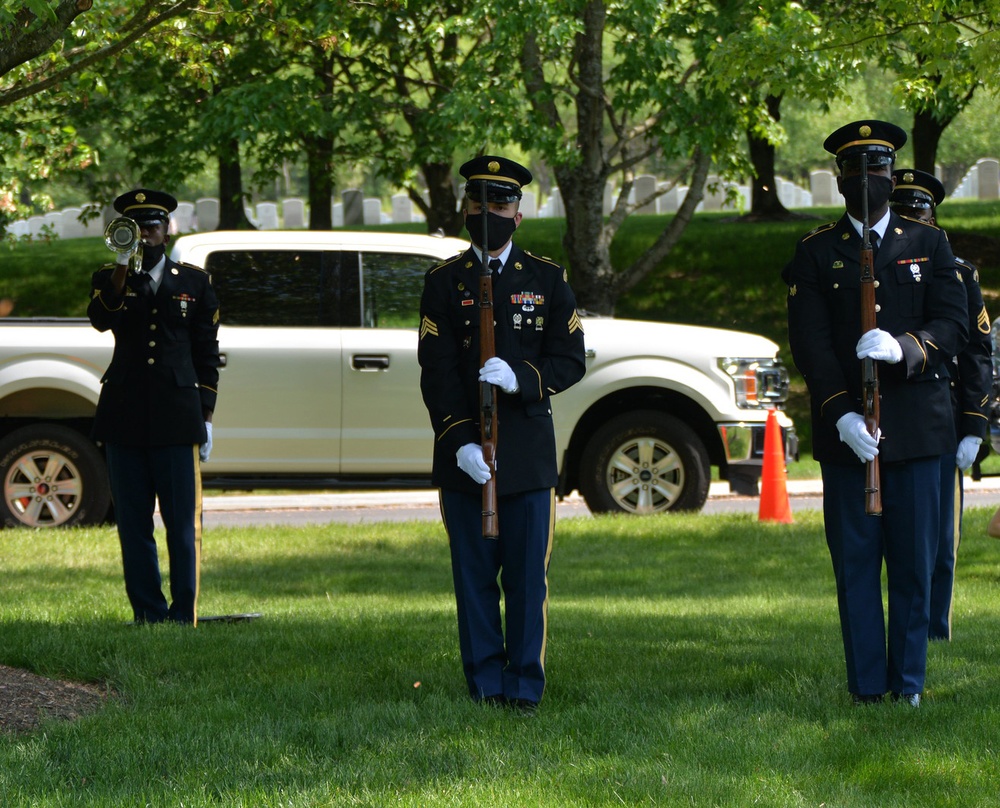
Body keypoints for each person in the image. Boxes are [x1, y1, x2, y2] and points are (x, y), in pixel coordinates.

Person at [782, 121, 968, 707]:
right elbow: (810, 343)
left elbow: (954, 325)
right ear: (840, 180)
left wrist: (905, 347)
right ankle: (866, 686)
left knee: (914, 566)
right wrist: (839, 414)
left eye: (879, 169)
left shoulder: (928, 243)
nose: (869, 181)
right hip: (849, 437)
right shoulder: (815, 252)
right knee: (856, 566)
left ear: (892, 174)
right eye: (856, 171)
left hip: (916, 430)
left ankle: (908, 684)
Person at [417, 156, 586, 712]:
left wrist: (523, 379)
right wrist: (460, 440)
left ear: (518, 212)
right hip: (466, 455)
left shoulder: (546, 278)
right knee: (473, 577)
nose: (488, 212)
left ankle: (525, 684)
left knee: (527, 580)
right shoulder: (444, 282)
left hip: (528, 454)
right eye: (478, 202)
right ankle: (485, 683)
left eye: (500, 202)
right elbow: (436, 371)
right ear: (466, 208)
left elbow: (570, 359)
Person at [88, 189, 221, 625]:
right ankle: (148, 613)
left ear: (168, 229)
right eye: (136, 227)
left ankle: (185, 614)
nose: (146, 234)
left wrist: (206, 415)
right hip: (125, 415)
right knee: (133, 524)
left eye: (153, 225)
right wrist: (123, 265)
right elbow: (102, 318)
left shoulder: (195, 282)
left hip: (178, 417)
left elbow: (206, 351)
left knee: (183, 526)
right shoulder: (110, 278)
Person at [889, 169, 992, 641]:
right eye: (906, 213)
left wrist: (974, 423)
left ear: (935, 217)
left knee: (941, 538)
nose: (915, 221)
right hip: (889, 411)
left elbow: (974, 351)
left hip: (940, 413)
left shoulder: (959, 271)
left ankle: (934, 627)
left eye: (922, 213)